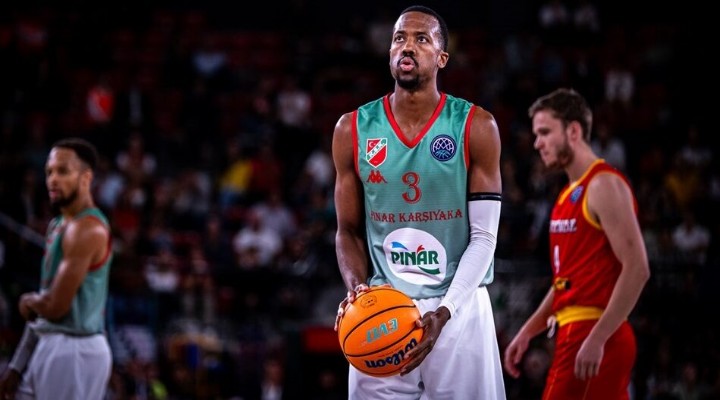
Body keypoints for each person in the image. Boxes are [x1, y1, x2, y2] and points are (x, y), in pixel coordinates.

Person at [331, 5, 506, 399]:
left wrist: (445, 311)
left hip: (459, 305)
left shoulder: (476, 126)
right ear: (390, 52)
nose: (407, 46)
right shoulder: (351, 129)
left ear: (442, 58)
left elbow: (484, 237)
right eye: (399, 38)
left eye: (421, 39)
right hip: (383, 308)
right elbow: (347, 231)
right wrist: (357, 290)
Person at [503, 88, 651, 399]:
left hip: (593, 330)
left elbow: (637, 268)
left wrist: (598, 337)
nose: (537, 143)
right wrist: (528, 330)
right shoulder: (567, 196)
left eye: (545, 132)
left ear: (573, 131)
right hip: (575, 331)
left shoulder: (604, 184)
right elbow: (564, 283)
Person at [0, 138, 113, 400]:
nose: (52, 179)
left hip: (76, 350)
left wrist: (28, 301)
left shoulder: (88, 229)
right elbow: (44, 310)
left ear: (86, 178)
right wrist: (16, 366)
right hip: (51, 342)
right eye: (49, 172)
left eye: (63, 171)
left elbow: (54, 306)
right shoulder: (57, 226)